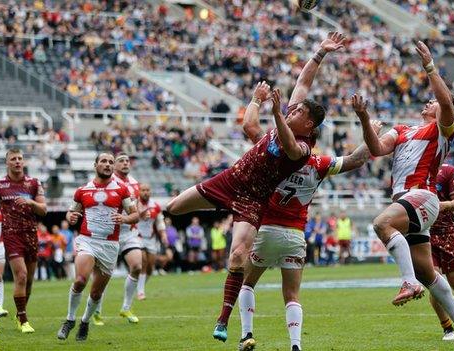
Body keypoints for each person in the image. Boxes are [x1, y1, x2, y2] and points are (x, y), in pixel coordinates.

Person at [166, 32, 342, 343]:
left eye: (299, 113)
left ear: (309, 127)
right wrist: (319, 53)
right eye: (293, 110)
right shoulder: (288, 121)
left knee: (237, 258)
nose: (294, 110)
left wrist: (275, 113)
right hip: (229, 180)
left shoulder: (302, 148)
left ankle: (223, 322)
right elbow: (256, 120)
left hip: (253, 199)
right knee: (173, 208)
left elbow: (287, 143)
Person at [237, 75, 380, 350]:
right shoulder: (318, 163)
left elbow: (250, 126)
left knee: (247, 283)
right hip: (295, 234)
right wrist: (371, 129)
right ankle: (295, 345)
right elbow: (356, 160)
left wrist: (258, 100)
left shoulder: (276, 151)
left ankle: (246, 334)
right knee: (292, 295)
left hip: (266, 228)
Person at [354, 41, 454, 344]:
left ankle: (407, 283)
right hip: (408, 201)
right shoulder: (403, 129)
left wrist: (430, 67)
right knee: (428, 273)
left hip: (423, 196)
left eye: (432, 103)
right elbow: (377, 149)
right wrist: (365, 120)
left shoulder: (442, 129)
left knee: (382, 224)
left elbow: (446, 104)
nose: (428, 103)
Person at [57, 152, 139, 341]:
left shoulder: (122, 190)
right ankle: (69, 320)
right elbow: (71, 213)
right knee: (80, 280)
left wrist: (125, 218)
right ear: (95, 165)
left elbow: (134, 215)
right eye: (104, 161)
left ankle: (85, 322)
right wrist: (70, 217)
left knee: (96, 292)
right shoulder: (82, 190)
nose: (108, 164)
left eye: (111, 162)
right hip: (87, 241)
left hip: (110, 245)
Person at [0, 148, 47, 333]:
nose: (17, 161)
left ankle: (12, 310)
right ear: (7, 163)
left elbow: (43, 210)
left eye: (20, 158)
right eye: (13, 159)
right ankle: (13, 315)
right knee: (19, 276)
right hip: (10, 236)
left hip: (28, 235)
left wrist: (31, 203)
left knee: (25, 280)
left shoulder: (34, 183)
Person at [94, 153, 143, 325]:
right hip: (109, 234)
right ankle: (97, 311)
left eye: (127, 161)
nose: (125, 163)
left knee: (137, 266)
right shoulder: (107, 181)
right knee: (104, 275)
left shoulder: (135, 183)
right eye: (121, 161)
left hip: (129, 232)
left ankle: (126, 308)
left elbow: (136, 208)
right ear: (114, 165)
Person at [427, 164, 454, 341]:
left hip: (447, 234)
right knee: (434, 282)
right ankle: (447, 327)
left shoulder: (448, 171)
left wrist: (443, 205)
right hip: (424, 234)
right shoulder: (414, 169)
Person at [136, 183, 168, 300]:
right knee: (143, 261)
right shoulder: (134, 204)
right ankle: (140, 292)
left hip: (151, 239)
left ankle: (140, 287)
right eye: (143, 190)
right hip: (137, 237)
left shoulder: (155, 205)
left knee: (150, 267)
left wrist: (163, 234)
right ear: (139, 192)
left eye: (147, 190)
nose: (145, 192)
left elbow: (160, 221)